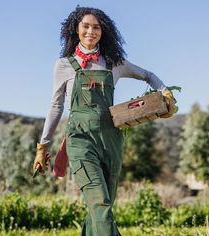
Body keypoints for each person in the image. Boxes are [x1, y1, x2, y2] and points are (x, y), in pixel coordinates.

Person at [33, 6, 175, 236]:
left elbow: (148, 75)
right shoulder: (64, 65)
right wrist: (43, 146)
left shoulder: (113, 63)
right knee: (100, 204)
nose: (91, 31)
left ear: (103, 31)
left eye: (96, 27)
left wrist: (165, 93)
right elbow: (56, 106)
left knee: (99, 208)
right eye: (85, 26)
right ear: (75, 30)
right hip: (80, 140)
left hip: (111, 141)